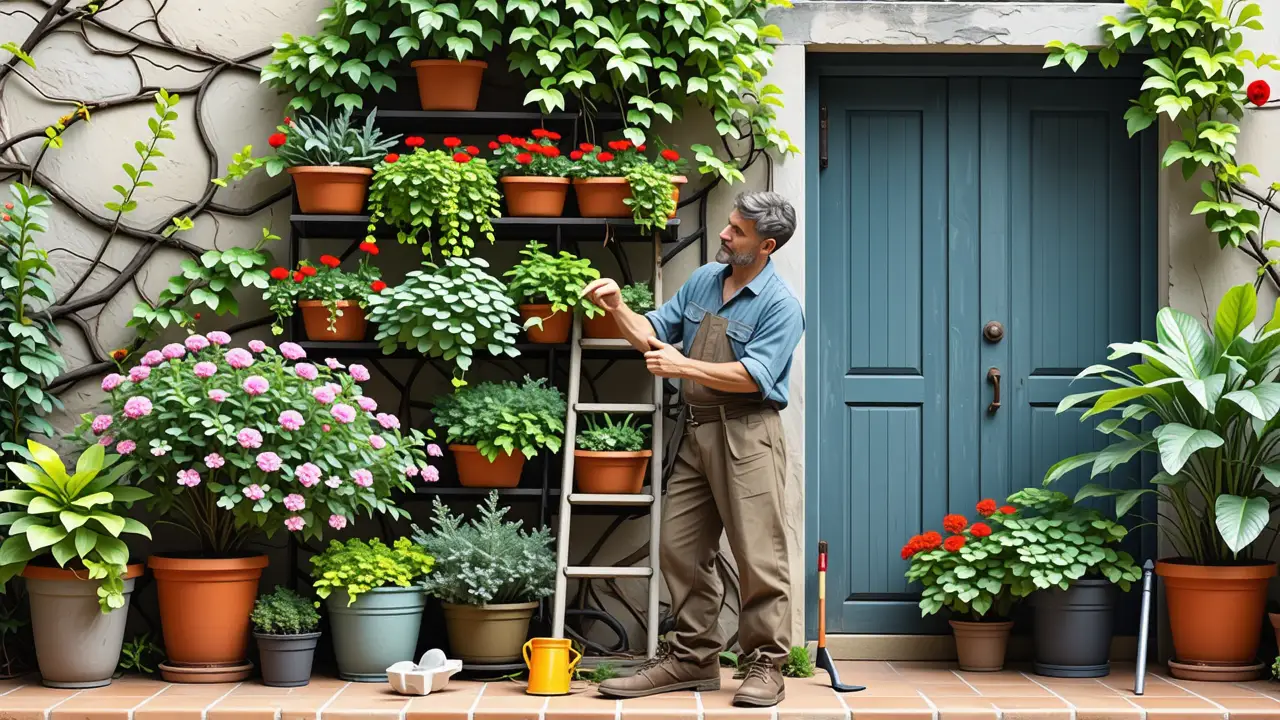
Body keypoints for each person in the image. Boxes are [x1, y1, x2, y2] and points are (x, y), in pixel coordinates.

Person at [581, 191, 804, 708]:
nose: (725, 235)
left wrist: (684, 367)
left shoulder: (780, 306)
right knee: (678, 546)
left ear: (766, 245)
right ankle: (693, 656)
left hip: (749, 434)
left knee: (758, 556)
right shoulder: (705, 280)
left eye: (738, 232)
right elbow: (652, 335)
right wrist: (619, 308)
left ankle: (767, 662)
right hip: (697, 431)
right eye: (727, 226)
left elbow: (755, 377)